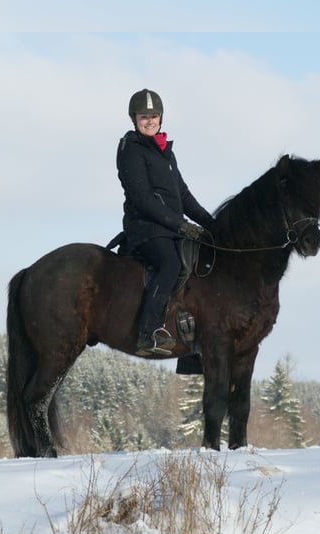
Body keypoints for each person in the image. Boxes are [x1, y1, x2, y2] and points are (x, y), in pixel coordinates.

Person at [116, 88, 215, 356]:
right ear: (134, 119)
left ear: (161, 118)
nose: (149, 121)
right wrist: (180, 225)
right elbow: (142, 197)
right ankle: (146, 332)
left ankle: (192, 347)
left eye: (154, 116)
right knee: (170, 263)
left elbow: (183, 195)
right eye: (143, 116)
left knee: (201, 266)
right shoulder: (130, 150)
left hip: (171, 229)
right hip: (145, 228)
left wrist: (212, 224)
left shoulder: (166, 153)